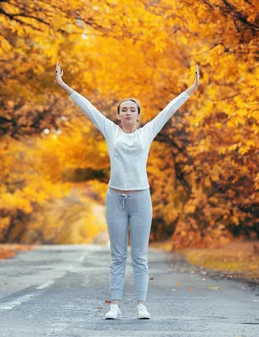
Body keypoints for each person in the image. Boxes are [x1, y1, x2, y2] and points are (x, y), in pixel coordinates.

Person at [55, 62, 200, 320]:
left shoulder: (147, 133)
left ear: (138, 115)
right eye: (124, 110)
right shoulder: (111, 131)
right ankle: (115, 306)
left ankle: (142, 305)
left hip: (140, 198)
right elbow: (88, 108)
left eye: (133, 109)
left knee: (140, 256)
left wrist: (192, 88)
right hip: (115, 199)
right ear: (118, 115)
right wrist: (64, 86)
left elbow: (169, 110)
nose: (128, 113)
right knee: (118, 255)